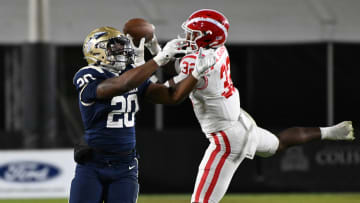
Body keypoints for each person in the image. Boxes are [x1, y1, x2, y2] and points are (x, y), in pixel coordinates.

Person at [164, 9, 355, 203]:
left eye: (193, 34)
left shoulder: (196, 63)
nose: (187, 37)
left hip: (226, 140)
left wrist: (158, 56)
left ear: (207, 37)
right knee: (280, 144)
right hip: (242, 123)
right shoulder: (220, 51)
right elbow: (183, 67)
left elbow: (169, 94)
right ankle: (329, 132)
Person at [69, 26, 216, 203]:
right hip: (93, 164)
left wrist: (196, 73)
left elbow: (171, 96)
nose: (122, 51)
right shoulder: (88, 74)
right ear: (96, 50)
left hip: (126, 165)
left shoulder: (130, 73)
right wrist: (159, 58)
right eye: (114, 48)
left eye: (122, 46)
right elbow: (121, 85)